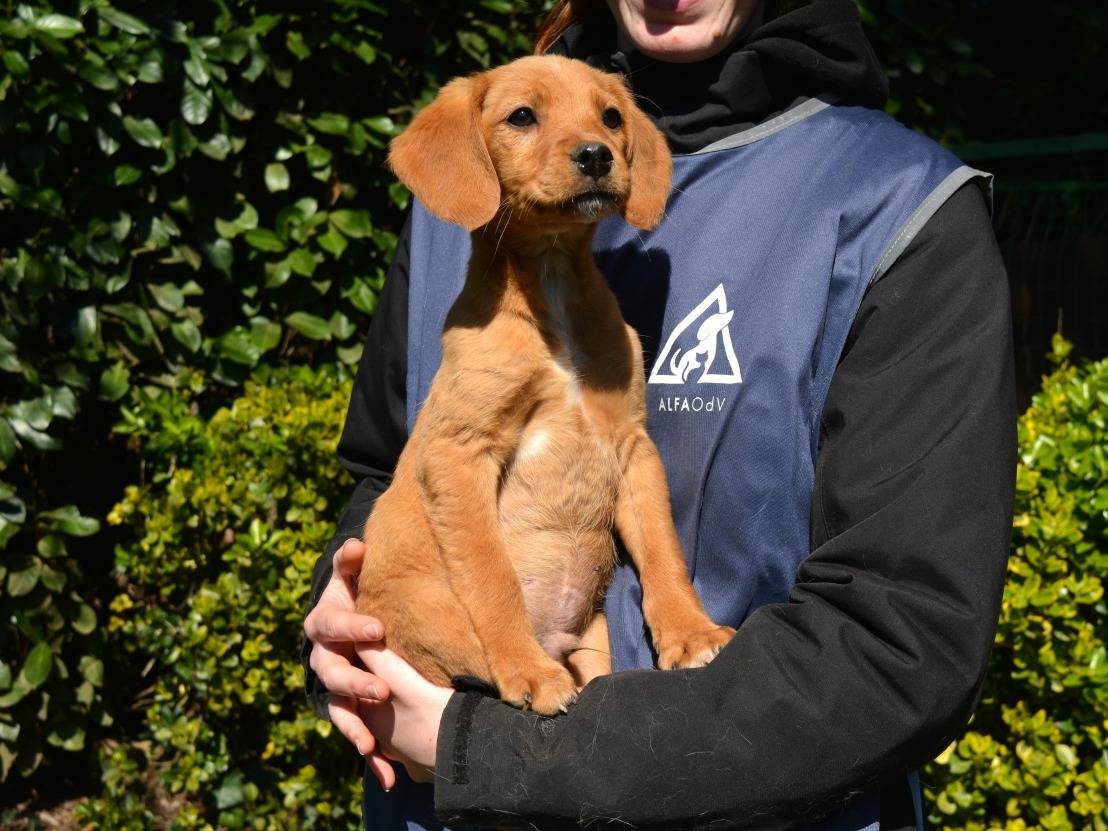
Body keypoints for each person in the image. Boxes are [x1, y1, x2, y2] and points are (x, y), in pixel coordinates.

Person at [301, 0, 1016, 828]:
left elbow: (900, 644)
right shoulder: (459, 184)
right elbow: (381, 474)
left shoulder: (895, 210)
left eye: (608, 124)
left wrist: (491, 751)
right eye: (529, 120)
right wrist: (343, 634)